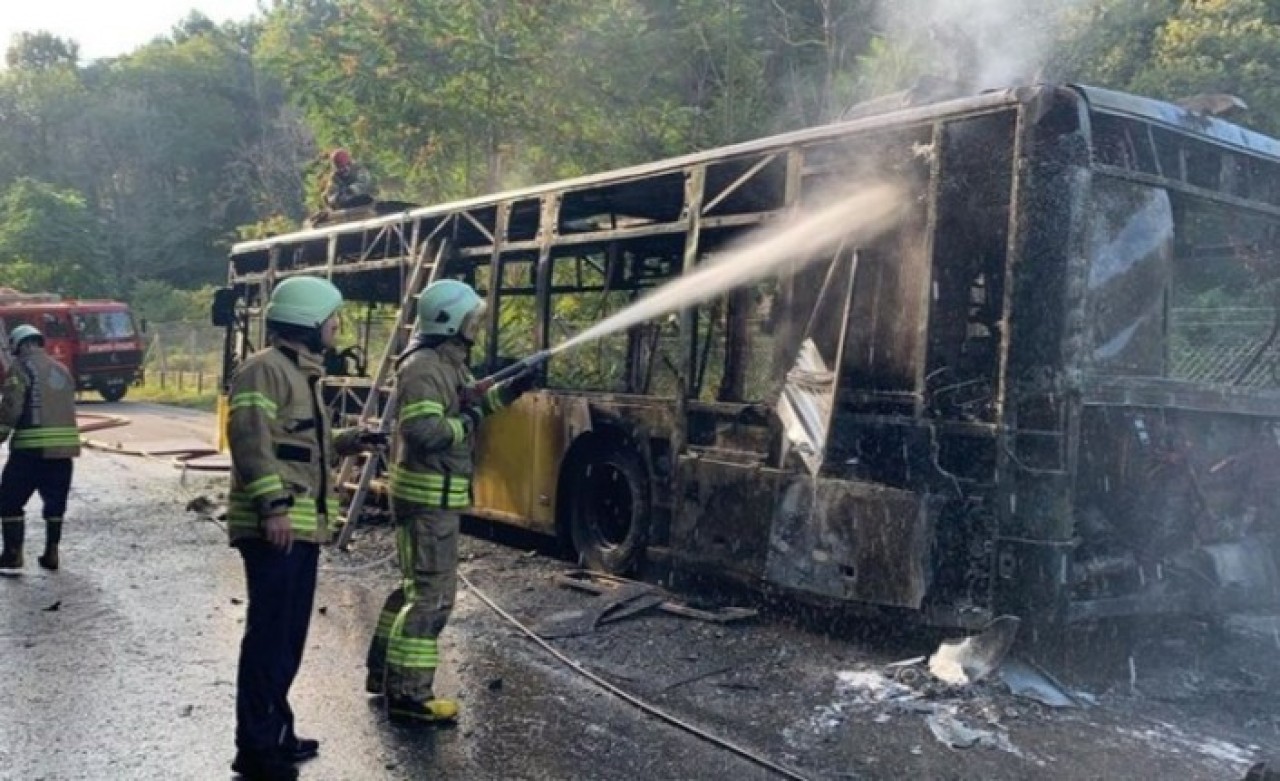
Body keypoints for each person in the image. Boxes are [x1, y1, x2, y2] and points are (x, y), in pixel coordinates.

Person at [225, 276, 383, 780]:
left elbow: (298, 443)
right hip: (277, 528)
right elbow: (250, 440)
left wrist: (350, 439)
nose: (338, 327)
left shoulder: (300, 376)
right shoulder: (264, 371)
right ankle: (255, 749)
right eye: (333, 319)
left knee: (288, 638)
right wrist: (272, 506)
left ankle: (277, 732)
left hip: (300, 529)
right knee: (269, 638)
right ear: (311, 322)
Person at [364, 279, 535, 724]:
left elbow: (467, 403)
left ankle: (383, 675)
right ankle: (408, 696)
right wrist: (472, 417)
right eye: (469, 319)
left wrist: (511, 389)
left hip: (431, 496)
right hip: (428, 499)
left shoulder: (444, 363)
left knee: (413, 590)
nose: (474, 325)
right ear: (450, 322)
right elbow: (427, 431)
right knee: (433, 599)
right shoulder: (424, 367)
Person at [0, 325, 80, 572]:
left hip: (30, 450)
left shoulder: (21, 368)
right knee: (55, 503)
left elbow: (12, 408)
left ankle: (13, 555)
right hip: (64, 451)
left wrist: (1, 434)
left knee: (9, 500)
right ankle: (52, 552)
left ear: (21, 345)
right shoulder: (63, 369)